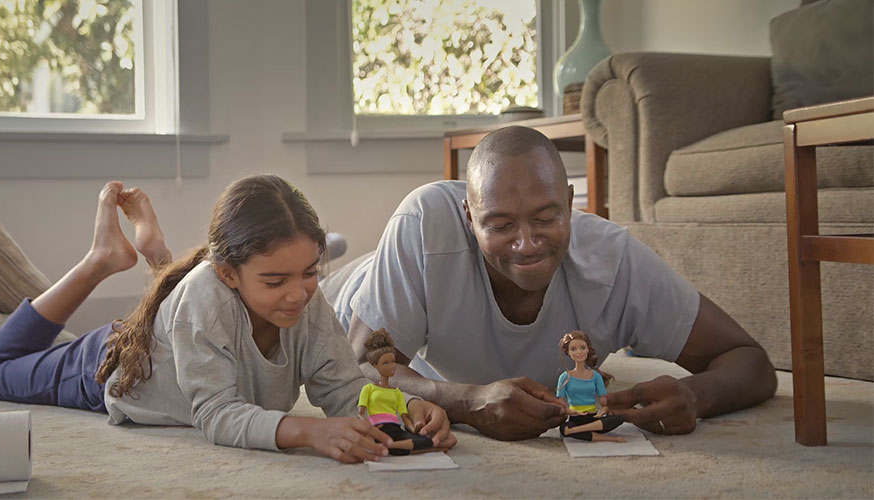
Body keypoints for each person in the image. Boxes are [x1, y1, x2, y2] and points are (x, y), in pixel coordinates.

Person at [325, 125, 777, 441]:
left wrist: (696, 395)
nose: (526, 245)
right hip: (348, 296)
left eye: (546, 218)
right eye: (500, 224)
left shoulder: (615, 260)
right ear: (468, 217)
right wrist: (468, 402)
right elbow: (360, 371)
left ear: (570, 201)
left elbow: (751, 362)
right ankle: (324, 254)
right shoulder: (424, 222)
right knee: (301, 287)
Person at [0, 175, 455, 463]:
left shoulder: (307, 299)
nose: (297, 294)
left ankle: (159, 262)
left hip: (181, 328)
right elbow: (217, 416)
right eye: (274, 281)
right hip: (111, 365)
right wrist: (308, 431)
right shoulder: (207, 293)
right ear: (228, 274)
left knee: (202, 306)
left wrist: (405, 409)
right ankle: (101, 259)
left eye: (309, 272)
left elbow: (343, 390)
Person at [358, 329, 436, 455]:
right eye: (385, 363)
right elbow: (361, 414)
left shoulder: (397, 392)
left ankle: (388, 445)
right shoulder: (369, 389)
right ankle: (389, 445)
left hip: (395, 428)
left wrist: (414, 429)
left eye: (393, 362)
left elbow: (404, 417)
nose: (391, 366)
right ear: (375, 365)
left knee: (427, 441)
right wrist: (370, 429)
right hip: (378, 427)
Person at [556, 330, 624, 443]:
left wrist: (604, 409)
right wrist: (570, 411)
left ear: (588, 349)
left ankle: (577, 431)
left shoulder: (595, 376)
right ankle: (609, 438)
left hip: (593, 418)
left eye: (582, 347)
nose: (579, 352)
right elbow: (560, 403)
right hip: (575, 418)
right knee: (564, 428)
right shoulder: (564, 377)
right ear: (568, 352)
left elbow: (603, 402)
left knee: (619, 418)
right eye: (573, 349)